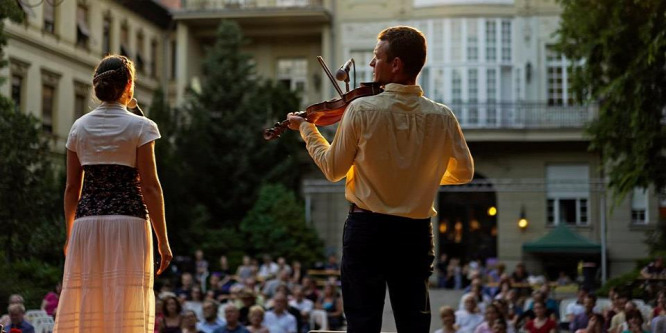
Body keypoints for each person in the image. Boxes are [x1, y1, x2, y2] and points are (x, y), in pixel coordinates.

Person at [286, 25, 474, 333]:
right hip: (415, 233)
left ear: (396, 65)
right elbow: (464, 172)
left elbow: (333, 169)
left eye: (376, 58)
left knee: (363, 324)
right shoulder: (443, 116)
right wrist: (418, 177)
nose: (372, 65)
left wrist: (307, 130)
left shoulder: (361, 109)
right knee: (414, 324)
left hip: (367, 230)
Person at [54, 54, 173, 333]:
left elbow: (72, 188)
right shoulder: (142, 127)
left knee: (89, 297)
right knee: (126, 298)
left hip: (86, 224)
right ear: (129, 85)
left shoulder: (78, 127)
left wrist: (70, 234)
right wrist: (163, 242)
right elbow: (150, 186)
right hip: (129, 221)